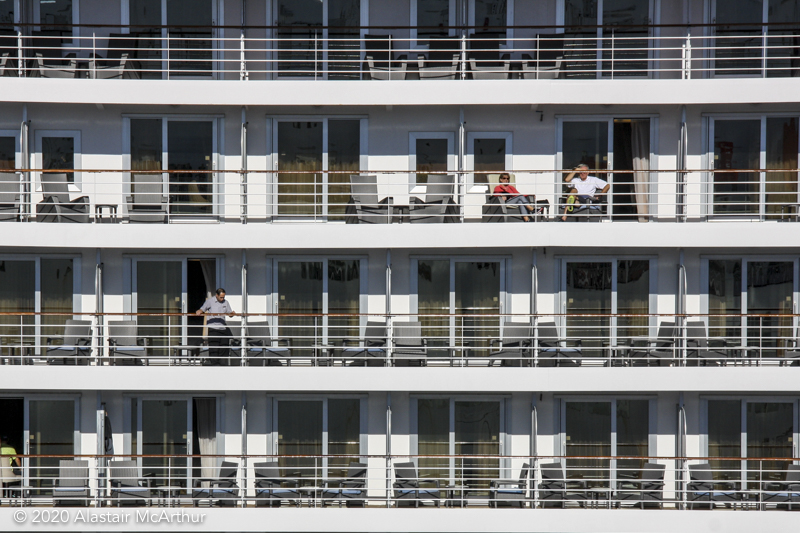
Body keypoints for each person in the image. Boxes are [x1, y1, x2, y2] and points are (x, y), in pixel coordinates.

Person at [196, 288, 237, 366]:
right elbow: (202, 309)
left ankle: (222, 365)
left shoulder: (226, 302)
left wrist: (232, 313)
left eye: (223, 297)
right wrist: (199, 311)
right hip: (213, 328)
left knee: (224, 348)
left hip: (223, 328)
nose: (222, 299)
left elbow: (229, 313)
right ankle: (214, 365)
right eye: (221, 297)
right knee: (214, 348)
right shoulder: (210, 301)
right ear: (216, 295)